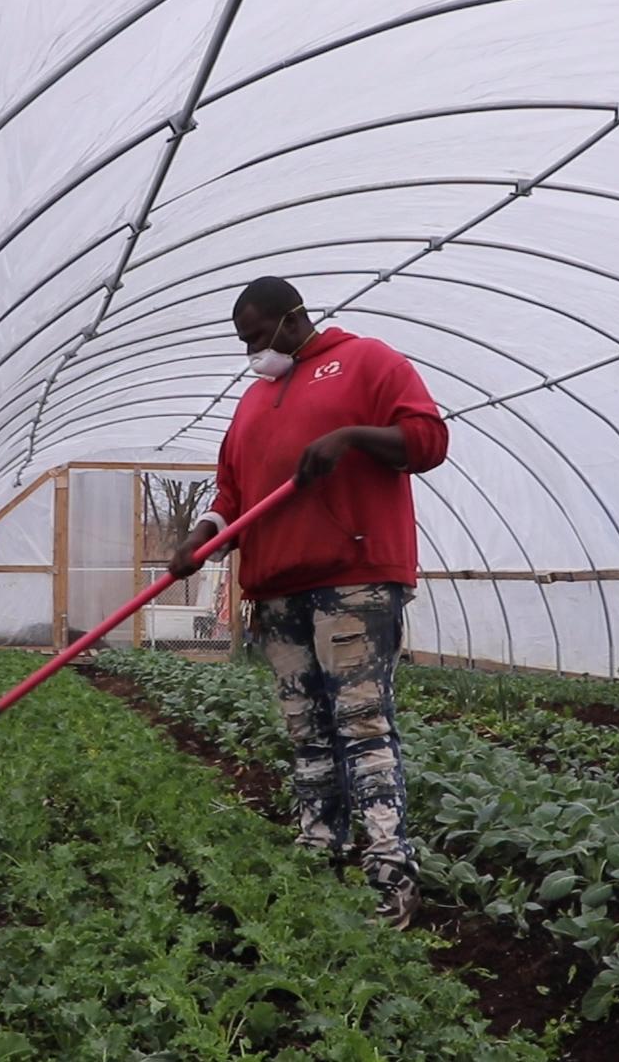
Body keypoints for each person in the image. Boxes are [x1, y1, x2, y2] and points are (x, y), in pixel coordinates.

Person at [168, 276, 448, 928]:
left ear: (294, 320)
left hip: (353, 580)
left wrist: (351, 437)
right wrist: (203, 535)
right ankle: (317, 852)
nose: (252, 353)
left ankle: (390, 877)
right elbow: (231, 494)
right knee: (306, 733)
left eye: (258, 337)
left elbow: (429, 442)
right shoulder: (251, 402)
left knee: (362, 726)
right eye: (243, 342)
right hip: (278, 591)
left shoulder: (368, 361)